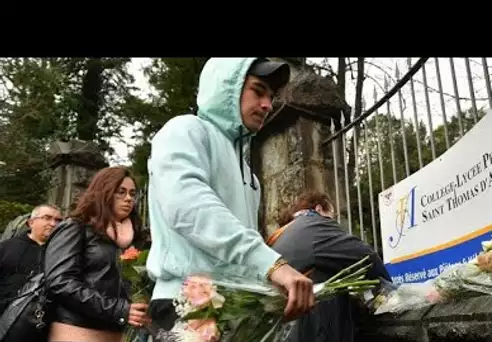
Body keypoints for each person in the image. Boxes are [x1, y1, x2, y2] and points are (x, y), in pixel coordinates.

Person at [146, 57, 315, 334]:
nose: (267, 105)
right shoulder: (186, 130)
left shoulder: (251, 176)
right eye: (258, 91)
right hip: (185, 302)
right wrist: (272, 265)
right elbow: (189, 208)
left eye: (271, 97)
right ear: (227, 88)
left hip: (235, 307)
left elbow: (238, 252)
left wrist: (268, 291)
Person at [268, 190, 391, 342]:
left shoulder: (281, 234)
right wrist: (391, 294)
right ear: (319, 209)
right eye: (332, 216)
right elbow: (367, 258)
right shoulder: (316, 225)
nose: (334, 223)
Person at [43, 166, 149, 342]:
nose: (128, 198)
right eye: (120, 192)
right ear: (103, 193)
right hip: (75, 331)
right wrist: (119, 310)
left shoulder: (136, 238)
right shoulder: (76, 227)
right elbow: (60, 282)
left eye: (132, 193)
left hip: (118, 334)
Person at [0, 204, 63, 339]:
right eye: (47, 218)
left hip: (44, 327)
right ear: (31, 222)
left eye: (58, 220)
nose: (53, 223)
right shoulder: (7, 247)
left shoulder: (63, 254)